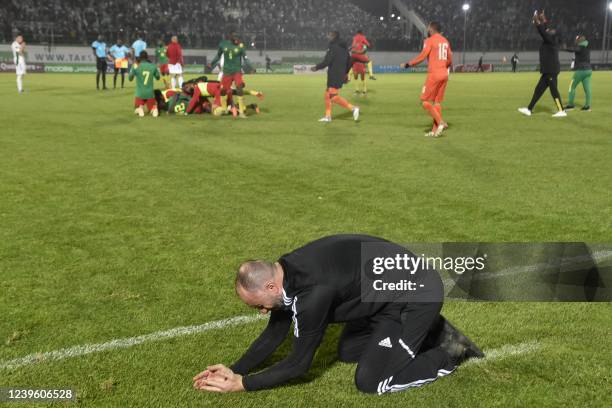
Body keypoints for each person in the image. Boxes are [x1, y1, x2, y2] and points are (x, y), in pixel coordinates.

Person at [193, 234, 484, 394]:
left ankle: (451, 350)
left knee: (372, 382)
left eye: (259, 304)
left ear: (270, 285)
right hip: (385, 298)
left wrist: (243, 385)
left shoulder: (312, 294)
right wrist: (237, 369)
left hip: (416, 297)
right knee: (347, 350)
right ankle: (424, 332)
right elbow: (275, 331)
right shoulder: (287, 272)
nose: (261, 312)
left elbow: (298, 364)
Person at [401, 21, 452, 138]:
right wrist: (444, 68)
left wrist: (408, 64)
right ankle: (435, 131)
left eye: (428, 28)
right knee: (437, 102)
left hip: (434, 74)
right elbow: (450, 59)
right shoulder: (445, 41)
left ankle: (440, 122)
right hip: (444, 73)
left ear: (431, 29)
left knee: (424, 101)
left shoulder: (429, 40)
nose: (427, 30)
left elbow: (422, 56)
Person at [518, 11, 566, 118]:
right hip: (548, 71)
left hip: (551, 70)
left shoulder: (551, 40)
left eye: (550, 30)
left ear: (553, 34)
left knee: (554, 91)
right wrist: (543, 20)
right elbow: (545, 31)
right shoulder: (550, 39)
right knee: (538, 90)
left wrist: (537, 22)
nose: (549, 30)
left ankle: (561, 110)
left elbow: (543, 32)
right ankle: (529, 109)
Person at [311, 31, 360, 123]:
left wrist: (317, 67)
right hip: (340, 74)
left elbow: (327, 61)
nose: (327, 36)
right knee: (327, 94)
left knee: (333, 96)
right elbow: (349, 62)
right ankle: (328, 116)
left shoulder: (332, 47)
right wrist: (345, 74)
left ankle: (353, 108)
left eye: (329, 35)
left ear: (334, 36)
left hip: (334, 74)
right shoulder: (345, 49)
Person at [209, 31, 249, 118]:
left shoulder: (241, 46)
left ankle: (241, 112)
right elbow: (218, 56)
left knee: (239, 87)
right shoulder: (223, 44)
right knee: (223, 90)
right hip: (227, 72)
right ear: (230, 37)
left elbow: (246, 58)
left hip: (237, 71)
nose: (237, 39)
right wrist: (212, 63)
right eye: (235, 37)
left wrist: (251, 67)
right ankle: (224, 109)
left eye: (238, 37)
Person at [564, 35, 592, 112]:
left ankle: (570, 105)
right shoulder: (587, 47)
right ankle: (587, 106)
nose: (576, 41)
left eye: (577, 40)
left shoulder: (580, 47)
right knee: (587, 89)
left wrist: (564, 47)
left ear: (579, 41)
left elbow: (572, 49)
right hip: (588, 70)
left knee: (572, 87)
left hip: (581, 70)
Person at [128, 51, 160, 117]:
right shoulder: (152, 66)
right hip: (150, 94)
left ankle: (140, 108)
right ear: (147, 57)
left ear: (140, 57)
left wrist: (134, 70)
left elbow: (130, 79)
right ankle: (154, 110)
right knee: (152, 106)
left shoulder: (136, 65)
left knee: (136, 107)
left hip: (139, 94)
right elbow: (158, 77)